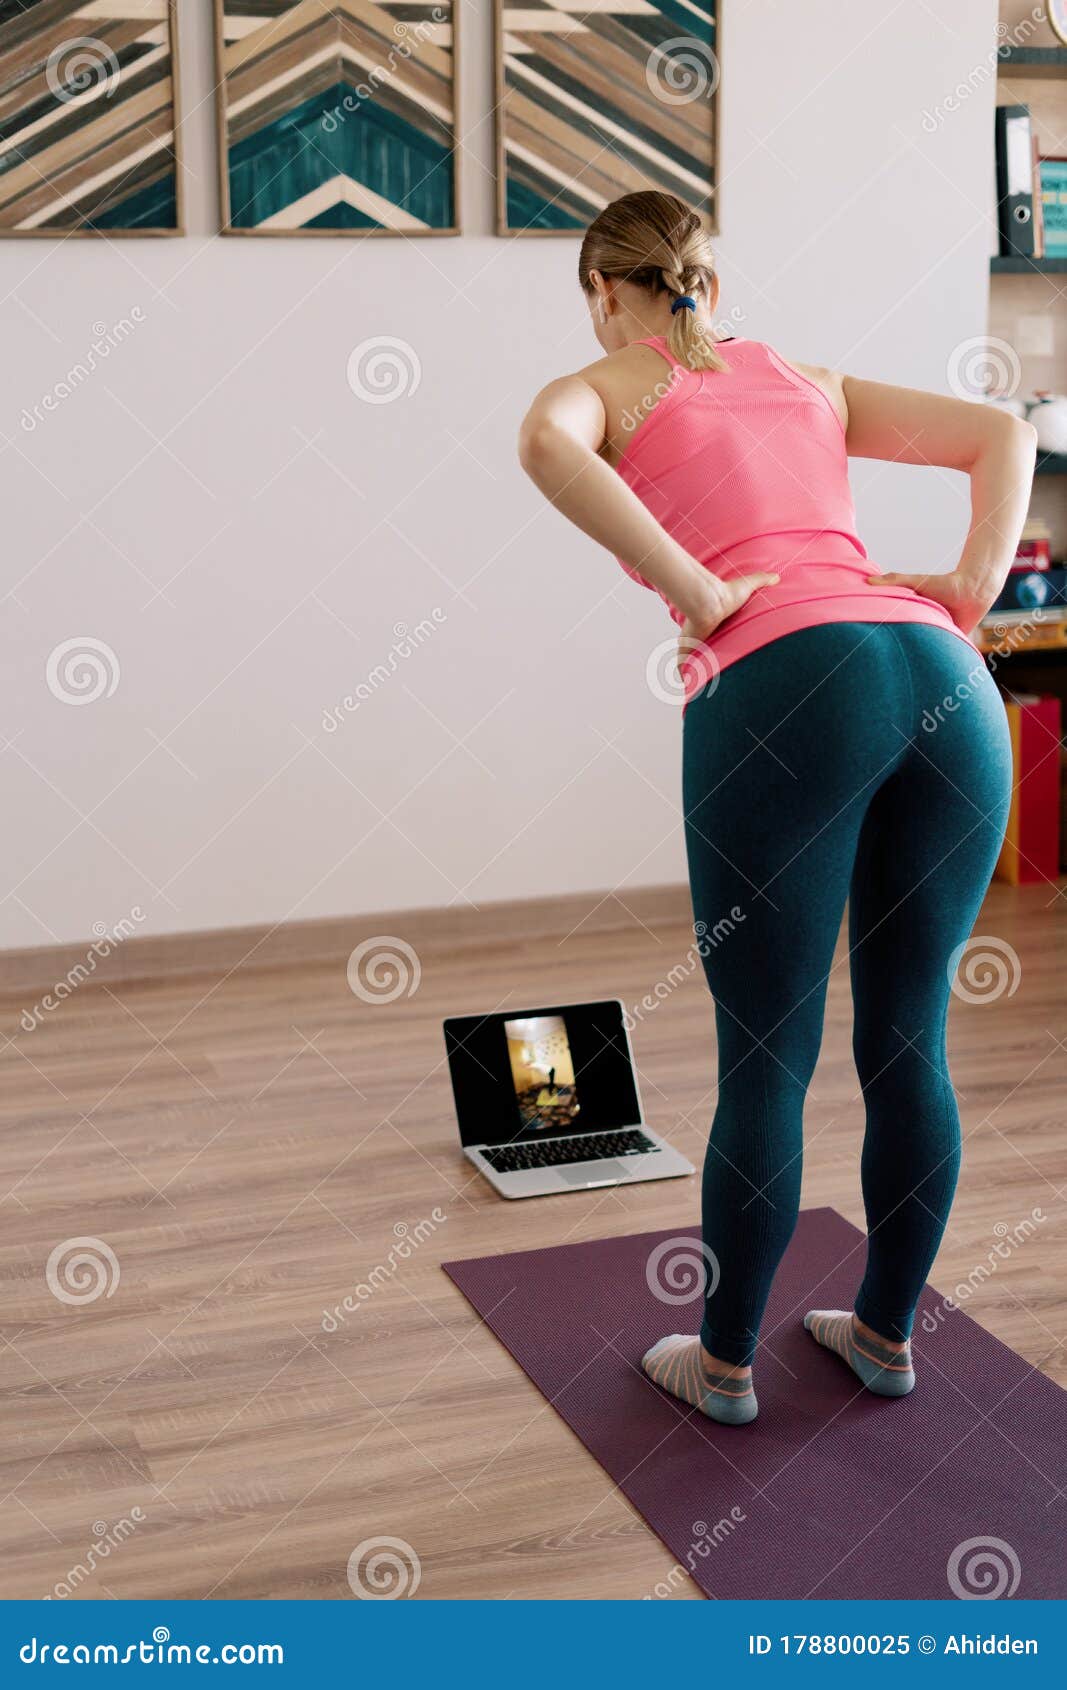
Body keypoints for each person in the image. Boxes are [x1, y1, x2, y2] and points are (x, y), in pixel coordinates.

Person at [518, 191, 1035, 1425]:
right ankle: (881, 1336)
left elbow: (544, 443)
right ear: (703, 277)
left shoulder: (611, 383)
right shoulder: (807, 378)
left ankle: (725, 1364)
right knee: (908, 1033)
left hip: (791, 676)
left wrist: (697, 590)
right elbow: (1003, 435)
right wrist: (967, 589)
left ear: (604, 289)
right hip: (944, 681)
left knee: (765, 1052)